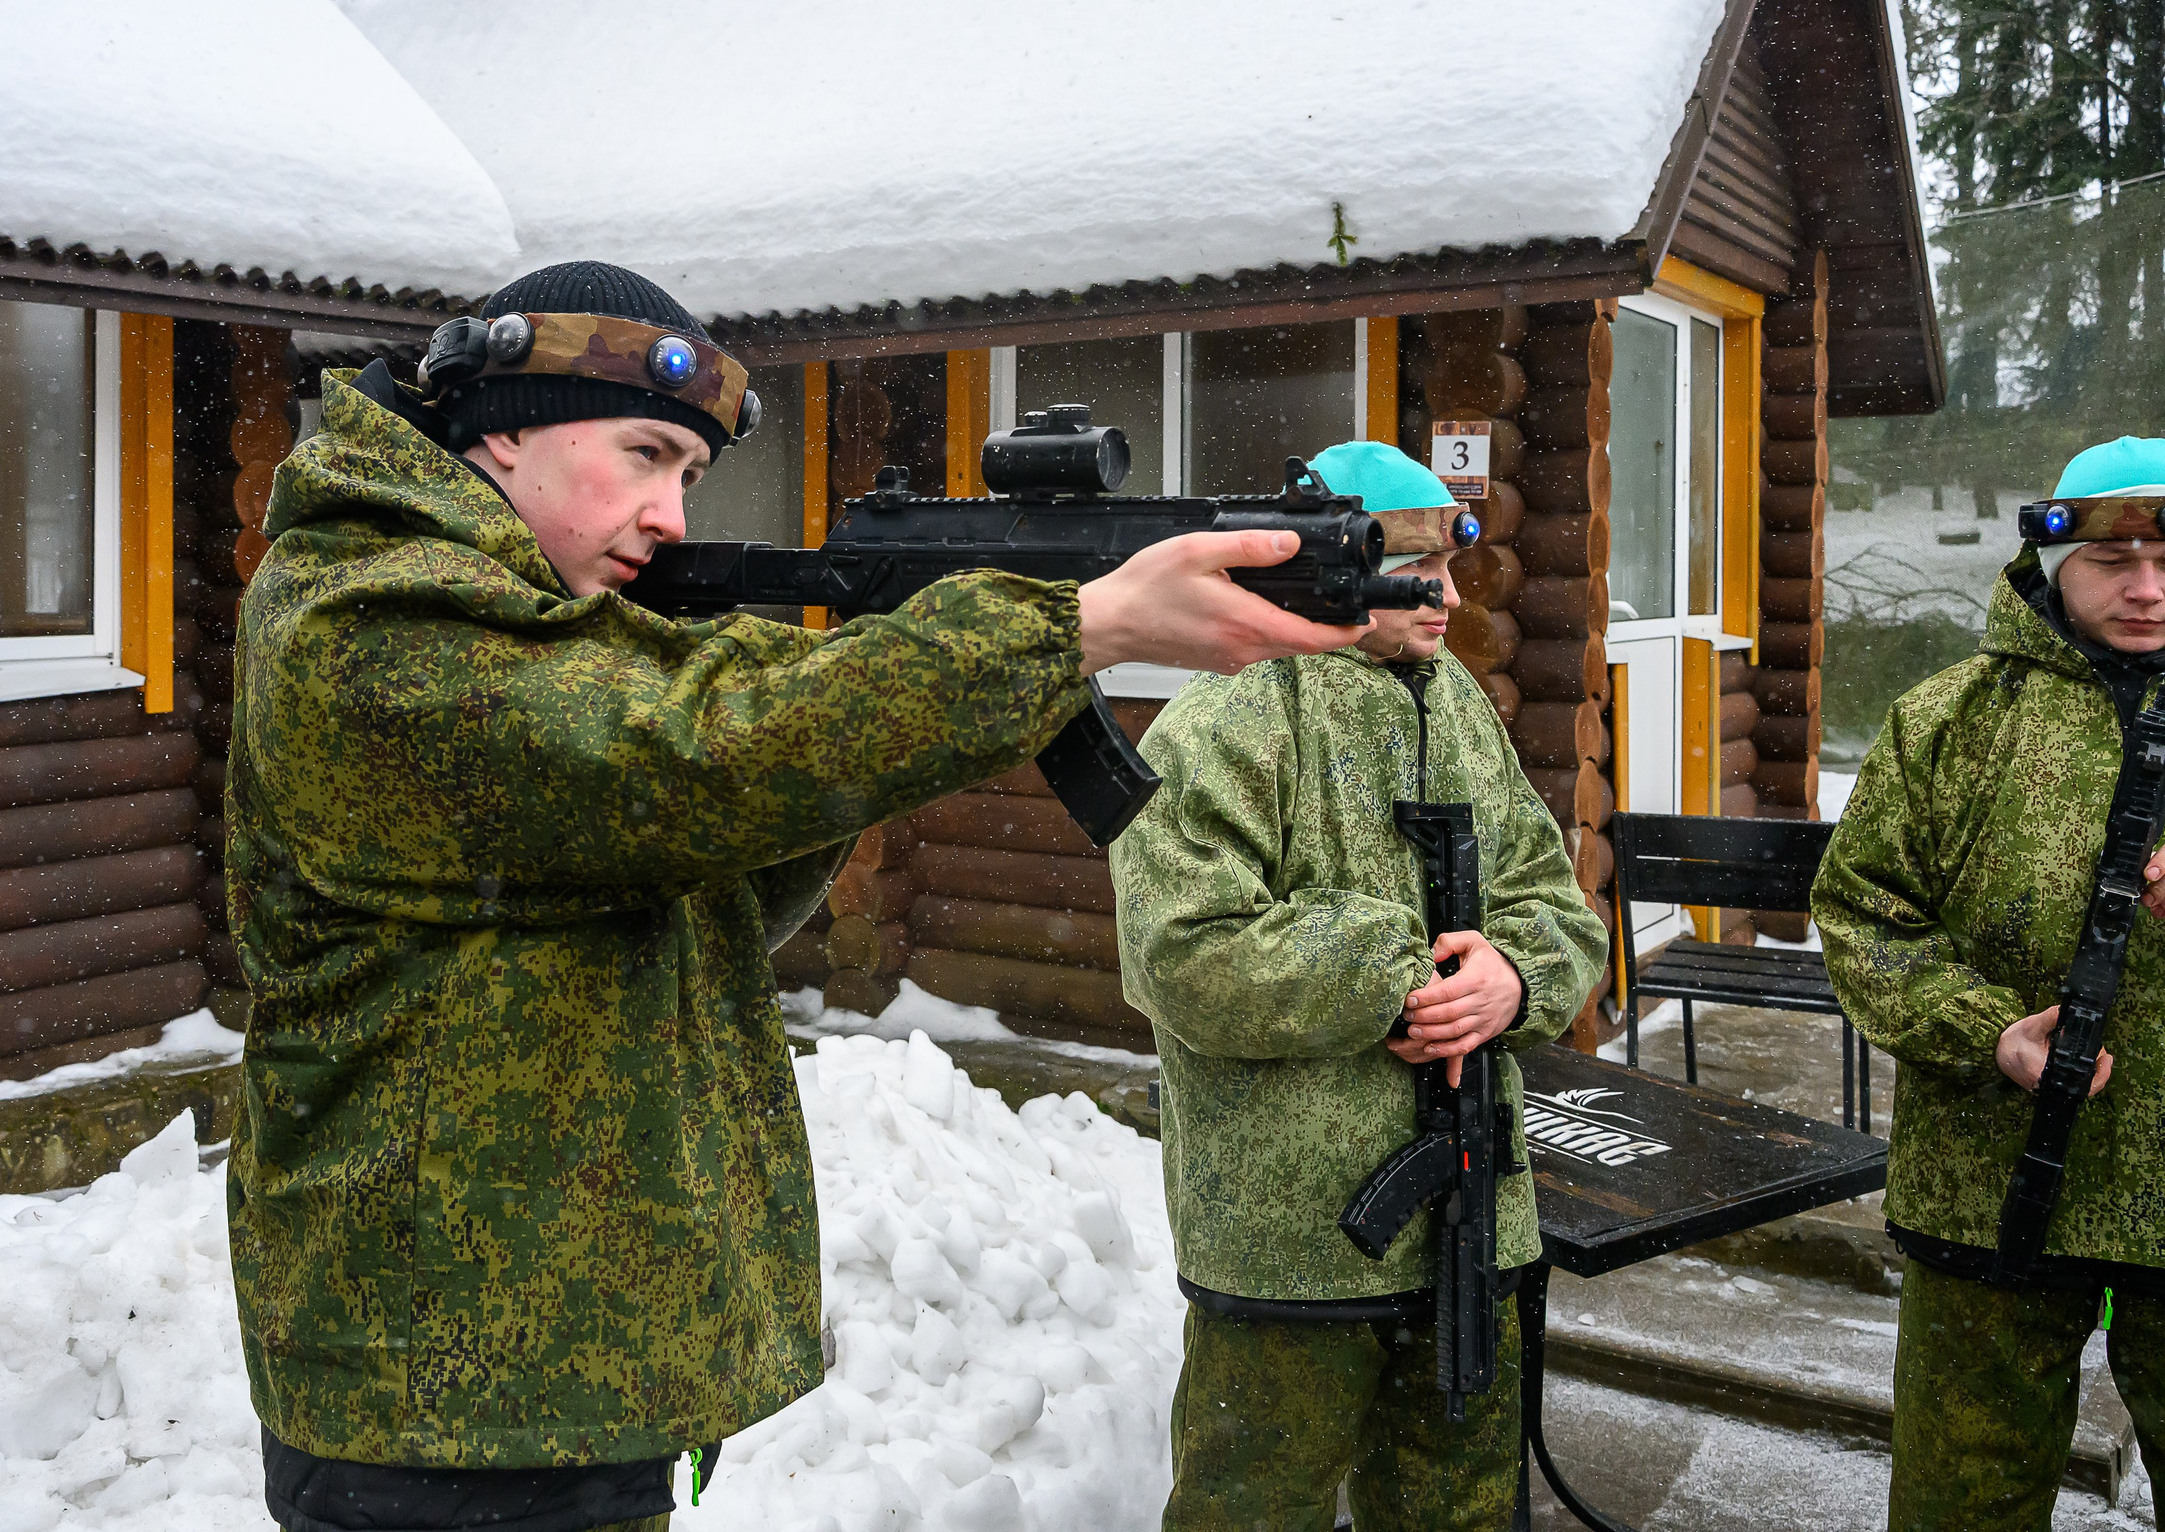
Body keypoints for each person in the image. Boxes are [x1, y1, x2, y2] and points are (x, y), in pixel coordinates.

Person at [223, 260, 1366, 1532]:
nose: (666, 513)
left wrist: (884, 691)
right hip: (432, 1394)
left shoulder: (551, 631)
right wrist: (1065, 629)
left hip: (547, 1361)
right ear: (500, 424)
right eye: (644, 453)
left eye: (691, 480)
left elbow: (703, 871)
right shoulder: (359, 620)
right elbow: (682, 761)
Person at [1109, 441, 1608, 1531]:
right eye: (1412, 566)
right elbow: (1180, 952)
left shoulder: (1456, 703)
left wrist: (1512, 980)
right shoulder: (1232, 715)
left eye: (1453, 563)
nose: (1446, 596)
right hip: (1291, 1246)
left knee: (1461, 1508)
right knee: (1254, 1508)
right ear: (1323, 564)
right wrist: (1394, 976)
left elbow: (1558, 905)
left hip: (1476, 1221)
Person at [1817, 435, 2165, 1532]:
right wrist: (1987, 1033)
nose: (2148, 587)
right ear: (2054, 556)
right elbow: (1862, 912)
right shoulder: (1949, 722)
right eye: (2116, 557)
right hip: (1987, 1185)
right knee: (1961, 1503)